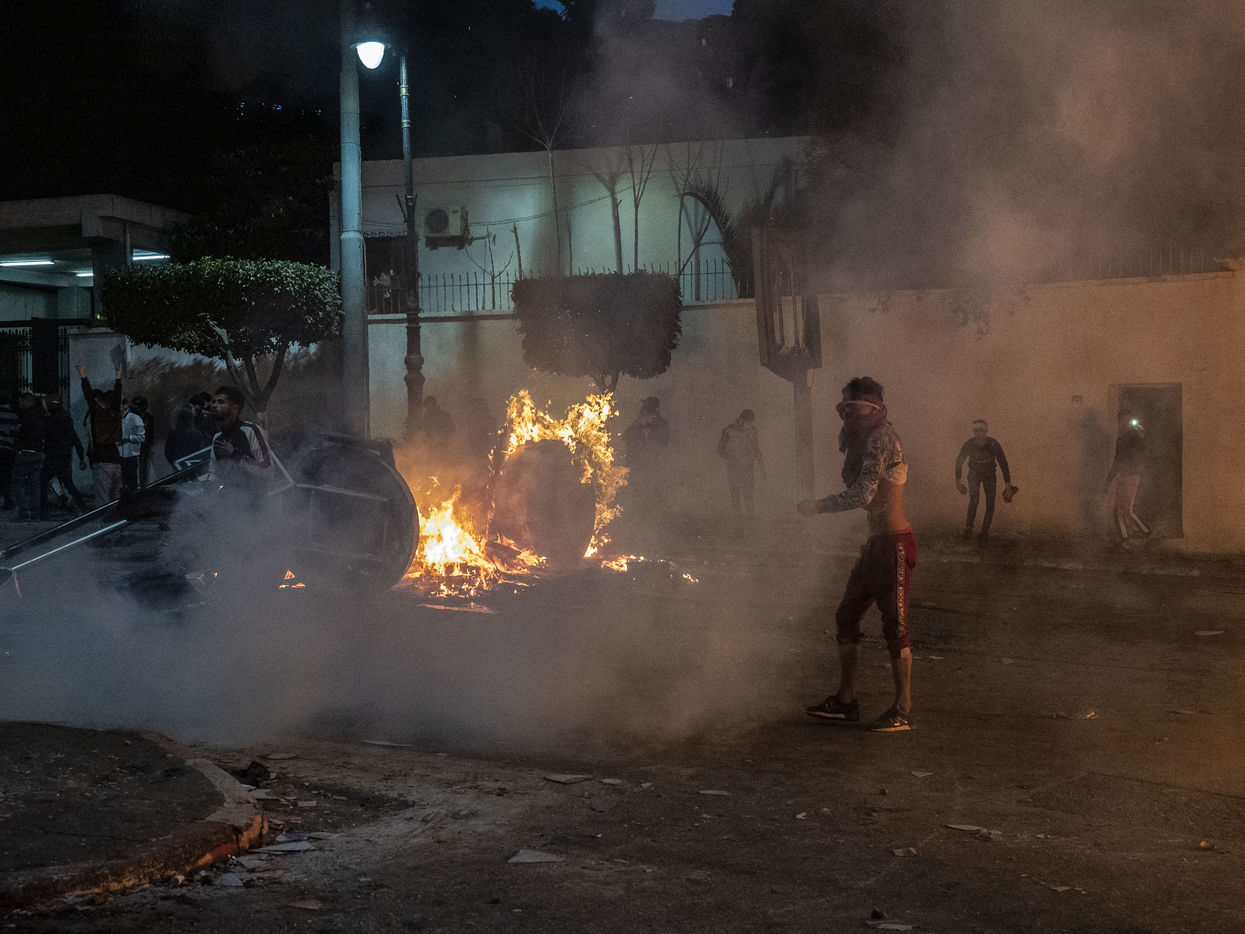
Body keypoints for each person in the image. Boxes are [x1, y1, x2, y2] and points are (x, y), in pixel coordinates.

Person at [797, 377, 916, 733]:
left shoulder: (882, 438)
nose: (848, 414)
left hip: (894, 544)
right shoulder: (863, 440)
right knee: (846, 615)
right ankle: (846, 700)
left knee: (895, 626)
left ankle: (903, 710)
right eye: (845, 407)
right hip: (875, 545)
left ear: (874, 408)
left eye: (856, 407)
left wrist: (817, 507)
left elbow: (863, 494)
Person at [954, 419, 1013, 543]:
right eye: (975, 430)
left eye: (981, 430)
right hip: (974, 473)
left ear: (986, 431)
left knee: (990, 502)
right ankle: (969, 528)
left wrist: (1008, 487)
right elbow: (959, 461)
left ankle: (985, 532)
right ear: (973, 432)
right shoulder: (969, 444)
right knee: (974, 498)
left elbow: (1003, 463)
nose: (978, 433)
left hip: (989, 474)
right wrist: (958, 483)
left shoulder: (993, 444)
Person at [207, 385, 274, 491]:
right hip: (230, 498)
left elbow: (268, 470)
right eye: (214, 402)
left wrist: (235, 454)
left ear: (235, 408)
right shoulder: (217, 438)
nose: (214, 405)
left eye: (221, 402)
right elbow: (214, 473)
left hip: (255, 497)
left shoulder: (251, 430)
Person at [79, 364, 124, 505]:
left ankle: (105, 520)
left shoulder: (96, 415)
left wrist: (83, 377)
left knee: (102, 502)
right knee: (116, 500)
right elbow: (117, 397)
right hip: (116, 460)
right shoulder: (115, 413)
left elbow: (88, 396)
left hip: (102, 461)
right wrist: (118, 378)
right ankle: (117, 519)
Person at [39, 392, 88, 517]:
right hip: (65, 455)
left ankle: (44, 510)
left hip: (53, 456)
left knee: (43, 481)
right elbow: (76, 440)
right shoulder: (67, 420)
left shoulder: (50, 421)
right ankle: (82, 506)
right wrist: (81, 459)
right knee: (67, 482)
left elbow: (45, 436)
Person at [1104, 414, 1150, 542]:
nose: (1121, 424)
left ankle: (1138, 534)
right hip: (1128, 475)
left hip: (1129, 475)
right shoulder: (1132, 437)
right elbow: (1119, 460)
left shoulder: (1129, 437)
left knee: (1123, 511)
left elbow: (1118, 460)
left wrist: (1108, 481)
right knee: (1123, 511)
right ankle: (1131, 536)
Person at [717, 408, 765, 520]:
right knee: (735, 493)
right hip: (733, 466)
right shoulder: (729, 430)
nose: (748, 425)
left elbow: (756, 448)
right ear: (741, 420)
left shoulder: (752, 430)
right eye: (747, 422)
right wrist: (730, 458)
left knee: (748, 493)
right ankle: (737, 519)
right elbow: (719, 449)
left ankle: (751, 519)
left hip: (748, 466)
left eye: (750, 422)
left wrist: (762, 467)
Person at [12, 392, 47, 522]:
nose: (19, 404)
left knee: (17, 481)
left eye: (21, 402)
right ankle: (35, 513)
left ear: (26, 402)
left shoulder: (26, 416)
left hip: (26, 451)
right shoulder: (41, 415)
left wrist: (17, 437)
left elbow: (22, 433)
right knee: (34, 484)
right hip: (38, 452)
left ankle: (24, 512)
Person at [164, 400, 212, 469]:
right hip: (192, 466)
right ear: (190, 420)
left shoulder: (173, 434)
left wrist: (175, 463)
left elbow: (168, 453)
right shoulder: (197, 434)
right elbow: (200, 453)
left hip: (178, 465)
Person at [117, 395, 146, 492]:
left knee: (134, 485)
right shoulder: (116, 419)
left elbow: (142, 437)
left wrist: (128, 438)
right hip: (119, 458)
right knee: (121, 486)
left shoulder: (135, 418)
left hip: (131, 457)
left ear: (125, 405)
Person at [130, 394, 154, 488]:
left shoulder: (148, 418)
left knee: (143, 470)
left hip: (143, 448)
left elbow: (150, 434)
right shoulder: (131, 418)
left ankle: (141, 487)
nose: (138, 409)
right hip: (134, 448)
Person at [0, 393, 18, 510]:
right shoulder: (14, 416)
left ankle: (8, 499)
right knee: (6, 475)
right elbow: (16, 434)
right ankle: (8, 499)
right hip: (10, 449)